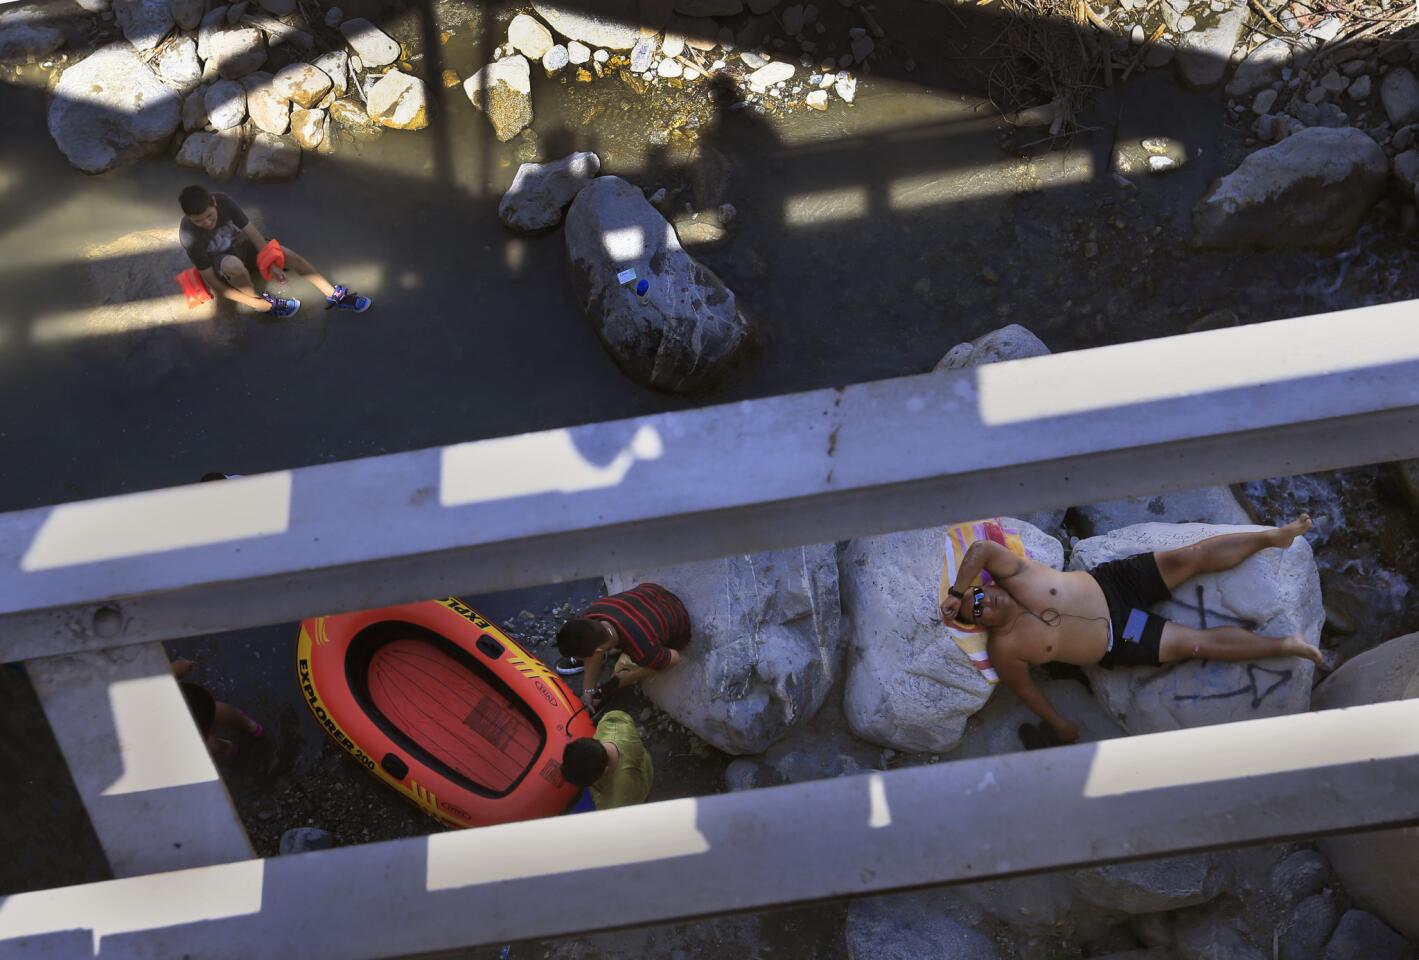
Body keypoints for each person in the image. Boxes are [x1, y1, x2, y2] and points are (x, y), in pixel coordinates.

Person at [939, 516, 1324, 745]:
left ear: (986, 585)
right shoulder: (1007, 648)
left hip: (1116, 586)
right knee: (1196, 644)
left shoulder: (1016, 574)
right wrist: (1060, 725)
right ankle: (1287, 644)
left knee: (1190, 556)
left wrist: (957, 592)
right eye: (976, 611)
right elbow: (1026, 690)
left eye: (979, 595)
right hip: (1123, 636)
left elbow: (980, 550)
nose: (983, 603)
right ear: (980, 625)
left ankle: (1273, 536)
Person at [178, 184, 371, 319]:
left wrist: (270, 262)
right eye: (199, 221)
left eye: (210, 216)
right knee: (234, 266)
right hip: (223, 263)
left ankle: (335, 296)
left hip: (241, 245)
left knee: (289, 255)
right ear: (189, 217)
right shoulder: (188, 235)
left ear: (214, 202)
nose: (207, 224)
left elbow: (251, 232)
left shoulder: (223, 201)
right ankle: (262, 303)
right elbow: (214, 283)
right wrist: (254, 304)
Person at [554, 582, 690, 709]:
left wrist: (630, 677)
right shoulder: (591, 615)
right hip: (652, 592)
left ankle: (609, 655)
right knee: (601, 645)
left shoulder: (643, 651)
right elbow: (595, 651)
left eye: (583, 658)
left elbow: (675, 658)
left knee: (649, 662)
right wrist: (588, 691)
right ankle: (605, 653)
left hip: (679, 620)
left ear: (598, 651)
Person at [171, 658, 264, 758]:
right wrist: (176, 669)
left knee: (199, 740)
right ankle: (248, 724)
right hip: (181, 701)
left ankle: (226, 748)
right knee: (211, 709)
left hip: (168, 733)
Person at [561, 709, 653, 809]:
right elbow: (621, 715)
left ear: (605, 770)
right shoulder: (612, 721)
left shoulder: (614, 800)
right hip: (645, 761)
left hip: (640, 788)